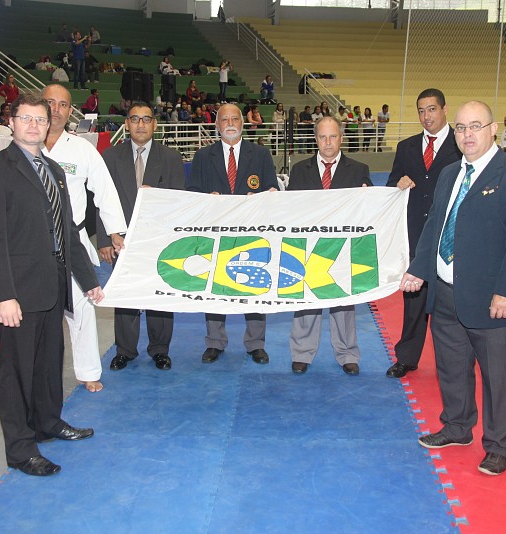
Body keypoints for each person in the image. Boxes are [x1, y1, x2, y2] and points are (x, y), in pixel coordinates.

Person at [400, 100, 506, 476]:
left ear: (493, 129)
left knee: (497, 376)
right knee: (450, 366)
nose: (467, 134)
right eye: (461, 127)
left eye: (476, 126)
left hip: (490, 296)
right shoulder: (450, 173)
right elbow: (435, 225)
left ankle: (499, 445)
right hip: (446, 291)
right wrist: (419, 269)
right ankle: (457, 427)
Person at [0, 94, 104, 477]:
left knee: (49, 362)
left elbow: (67, 230)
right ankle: (19, 449)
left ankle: (48, 423)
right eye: (26, 118)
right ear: (11, 122)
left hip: (53, 285)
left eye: (40, 119)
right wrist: (3, 295)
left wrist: (87, 280)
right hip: (19, 290)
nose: (33, 125)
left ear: (49, 125)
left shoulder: (54, 170)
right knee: (16, 373)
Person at [40, 84, 127, 392]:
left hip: (73, 239)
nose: (56, 109)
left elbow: (104, 189)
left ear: (70, 111)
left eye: (63, 104)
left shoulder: (81, 149)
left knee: (83, 308)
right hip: (34, 243)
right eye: (50, 102)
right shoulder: (24, 145)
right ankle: (40, 374)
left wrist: (114, 231)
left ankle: (88, 371)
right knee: (40, 312)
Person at [187, 103, 279, 365]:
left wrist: (263, 196)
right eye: (224, 119)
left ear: (243, 123)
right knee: (215, 287)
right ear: (216, 125)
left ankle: (256, 343)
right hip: (215, 233)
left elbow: (272, 188)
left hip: (253, 232)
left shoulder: (260, 154)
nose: (230, 123)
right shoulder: (203, 156)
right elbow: (192, 193)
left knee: (256, 283)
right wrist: (208, 199)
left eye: (234, 118)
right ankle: (215, 342)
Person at [101, 102, 186, 371]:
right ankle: (125, 350)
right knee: (126, 296)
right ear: (126, 123)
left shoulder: (171, 158)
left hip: (158, 239)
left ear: (155, 124)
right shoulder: (110, 157)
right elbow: (100, 200)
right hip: (121, 240)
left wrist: (157, 198)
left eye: (146, 119)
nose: (140, 124)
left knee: (159, 294)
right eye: (135, 119)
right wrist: (104, 239)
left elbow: (179, 202)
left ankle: (160, 349)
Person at [287, 116, 372, 375]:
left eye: (332, 136)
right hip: (309, 246)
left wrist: (369, 197)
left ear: (341, 138)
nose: (327, 142)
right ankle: (302, 352)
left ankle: (347, 353)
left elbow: (369, 212)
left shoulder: (358, 170)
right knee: (306, 300)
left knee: (344, 301)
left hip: (343, 248)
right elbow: (289, 210)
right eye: (323, 137)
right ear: (315, 139)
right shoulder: (299, 170)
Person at [385, 88, 461, 379]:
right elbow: (392, 183)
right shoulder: (406, 147)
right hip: (415, 234)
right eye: (421, 110)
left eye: (432, 109)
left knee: (450, 303)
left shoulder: (461, 144)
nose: (426, 116)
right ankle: (406, 358)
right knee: (413, 301)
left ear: (444, 109)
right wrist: (399, 182)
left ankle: (453, 361)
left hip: (449, 235)